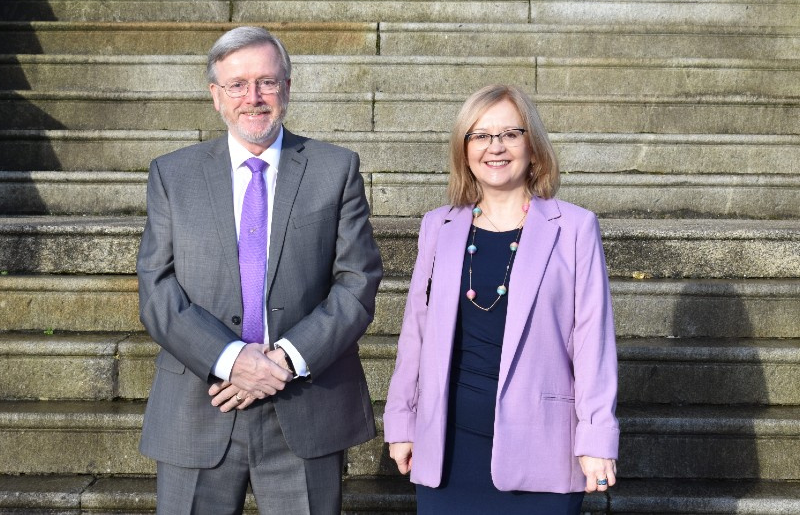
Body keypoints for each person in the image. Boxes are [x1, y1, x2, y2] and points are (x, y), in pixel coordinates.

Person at [136, 26, 383, 515]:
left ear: (287, 88)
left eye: (268, 82)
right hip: (199, 403)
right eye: (238, 85)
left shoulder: (335, 169)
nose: (254, 97)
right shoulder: (172, 174)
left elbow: (357, 281)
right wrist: (232, 360)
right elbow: (157, 291)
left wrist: (284, 360)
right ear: (216, 96)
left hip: (304, 407)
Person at [383, 84, 619, 514]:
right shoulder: (439, 226)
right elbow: (415, 332)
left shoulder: (575, 228)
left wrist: (596, 437)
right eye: (480, 135)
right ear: (464, 148)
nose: (496, 147)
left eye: (511, 133)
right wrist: (402, 420)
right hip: (449, 447)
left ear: (533, 146)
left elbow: (593, 344)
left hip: (543, 447)